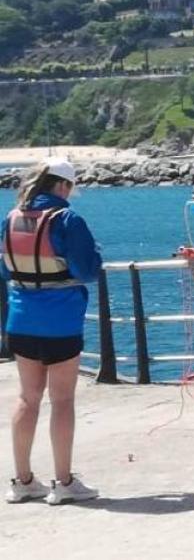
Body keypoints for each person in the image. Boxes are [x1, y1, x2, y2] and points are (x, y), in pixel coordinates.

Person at [2, 159, 103, 504]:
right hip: (60, 323)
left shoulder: (11, 219)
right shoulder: (67, 220)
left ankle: (22, 480)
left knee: (27, 399)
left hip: (20, 320)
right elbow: (88, 270)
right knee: (62, 401)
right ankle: (63, 483)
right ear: (63, 186)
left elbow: (6, 270)